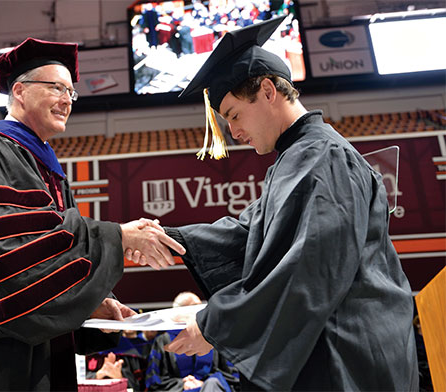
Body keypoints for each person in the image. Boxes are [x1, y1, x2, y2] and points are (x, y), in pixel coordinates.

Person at [127, 16, 418, 391]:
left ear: (267, 91)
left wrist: (215, 323)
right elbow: (249, 233)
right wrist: (164, 237)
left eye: (233, 115)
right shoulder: (297, 158)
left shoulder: (323, 156)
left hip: (351, 352)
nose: (233, 132)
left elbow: (309, 267)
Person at [0, 37, 185, 392]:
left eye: (71, 93)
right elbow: (13, 258)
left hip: (28, 354)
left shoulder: (44, 166)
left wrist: (95, 306)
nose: (66, 100)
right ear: (19, 91)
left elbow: (50, 264)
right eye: (56, 88)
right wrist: (118, 237)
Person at [145, 292, 239, 391]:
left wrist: (208, 381)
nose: (201, 312)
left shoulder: (211, 337)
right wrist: (182, 384)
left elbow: (231, 374)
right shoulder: (163, 340)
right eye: (194, 307)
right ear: (178, 312)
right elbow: (154, 379)